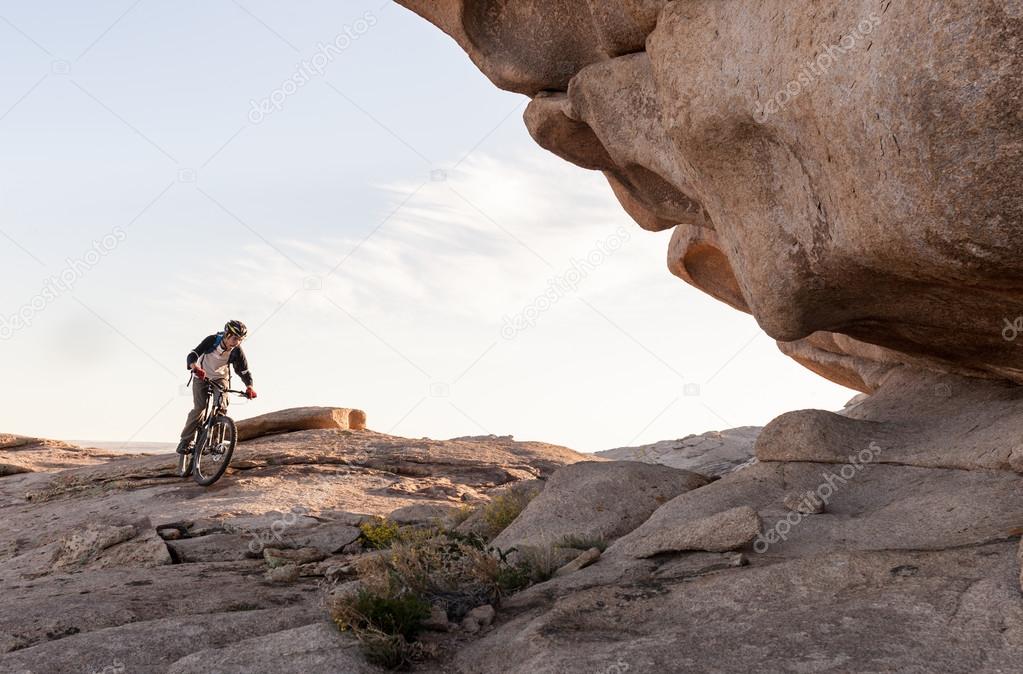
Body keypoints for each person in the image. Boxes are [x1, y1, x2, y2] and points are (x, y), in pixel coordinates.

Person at [176, 320, 257, 454]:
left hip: (220, 378)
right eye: (235, 338)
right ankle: (185, 441)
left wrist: (249, 387)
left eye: (240, 340)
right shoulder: (212, 340)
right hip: (201, 376)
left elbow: (244, 371)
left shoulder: (236, 351)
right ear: (226, 334)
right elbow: (193, 355)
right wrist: (195, 367)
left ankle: (214, 442)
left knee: (221, 406)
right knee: (199, 408)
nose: (237, 342)